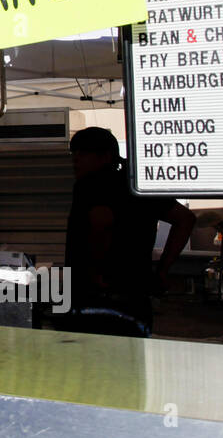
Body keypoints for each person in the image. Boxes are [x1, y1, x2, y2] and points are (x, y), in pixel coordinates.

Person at [63, 127, 194, 335]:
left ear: (105, 156)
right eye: (74, 153)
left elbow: (102, 222)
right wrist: (162, 270)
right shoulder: (138, 183)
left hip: (96, 301)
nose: (75, 160)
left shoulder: (91, 184)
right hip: (136, 300)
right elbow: (185, 219)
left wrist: (96, 272)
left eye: (83, 153)